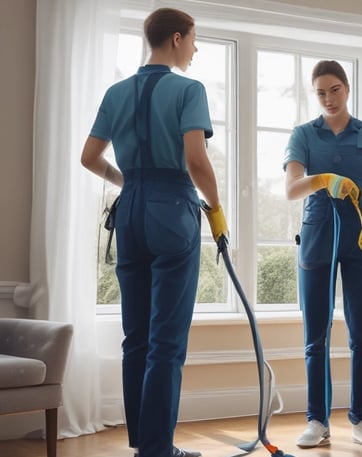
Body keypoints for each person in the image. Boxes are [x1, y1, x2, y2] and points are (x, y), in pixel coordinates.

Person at [81, 8, 227, 457]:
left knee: (136, 337)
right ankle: (158, 448)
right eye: (195, 40)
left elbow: (89, 157)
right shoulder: (188, 89)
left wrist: (129, 183)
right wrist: (217, 210)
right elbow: (196, 160)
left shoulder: (116, 91)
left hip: (131, 213)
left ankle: (143, 442)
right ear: (178, 39)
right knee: (166, 340)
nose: (196, 49)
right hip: (173, 210)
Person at [284, 60, 362, 448]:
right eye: (320, 92)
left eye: (335, 90)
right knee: (317, 335)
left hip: (361, 234)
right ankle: (317, 420)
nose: (328, 99)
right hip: (318, 234)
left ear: (347, 89)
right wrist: (324, 179)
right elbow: (292, 188)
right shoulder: (303, 135)